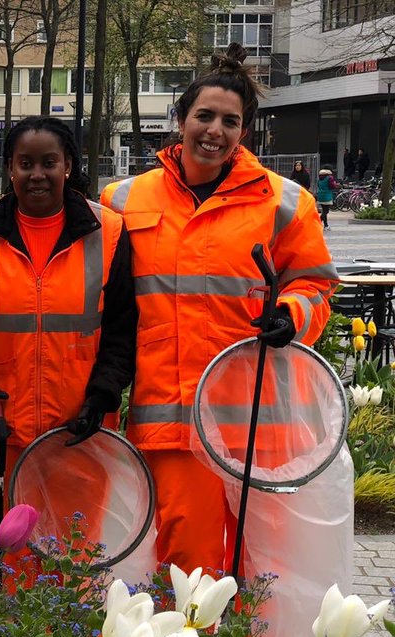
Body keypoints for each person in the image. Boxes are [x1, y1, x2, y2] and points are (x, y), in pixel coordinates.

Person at [101, 43, 337, 577]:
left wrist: (293, 314)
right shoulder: (122, 200)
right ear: (179, 120)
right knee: (187, 565)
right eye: (204, 116)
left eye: (230, 121)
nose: (215, 130)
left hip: (255, 422)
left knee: (258, 570)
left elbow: (315, 284)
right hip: (172, 420)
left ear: (244, 132)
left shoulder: (284, 203)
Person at [0, 116, 137, 531]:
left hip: (78, 433)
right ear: (9, 168)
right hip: (1, 432)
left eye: (48, 162)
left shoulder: (109, 232)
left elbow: (123, 327)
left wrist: (103, 395)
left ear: (67, 165)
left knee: (72, 564)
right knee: (6, 561)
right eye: (25, 163)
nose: (37, 175)